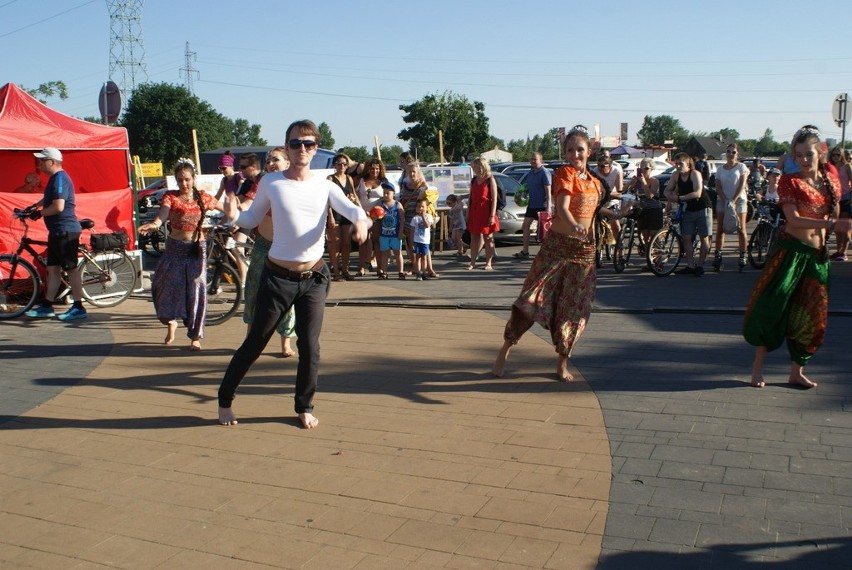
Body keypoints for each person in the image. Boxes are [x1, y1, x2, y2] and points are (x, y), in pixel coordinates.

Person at [217, 119, 370, 429]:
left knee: (310, 347)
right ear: (287, 147)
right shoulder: (272, 183)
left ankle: (304, 406)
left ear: (316, 149)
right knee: (256, 342)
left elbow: (353, 209)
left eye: (309, 143)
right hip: (277, 277)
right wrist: (234, 214)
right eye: (296, 143)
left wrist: (362, 223)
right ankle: (225, 400)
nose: (302, 148)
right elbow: (252, 218)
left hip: (313, 279)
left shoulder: (325, 184)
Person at [492, 125, 605, 382]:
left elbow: (592, 214)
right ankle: (505, 349)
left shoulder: (597, 183)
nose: (576, 154)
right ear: (565, 153)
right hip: (557, 246)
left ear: (589, 151)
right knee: (531, 298)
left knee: (574, 308)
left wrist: (615, 215)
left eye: (580, 150)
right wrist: (574, 225)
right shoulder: (565, 174)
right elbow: (563, 207)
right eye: (570, 150)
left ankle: (562, 362)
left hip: (585, 252)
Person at [743, 125, 851, 389]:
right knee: (773, 307)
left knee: (812, 314)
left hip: (817, 256)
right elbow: (793, 220)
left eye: (808, 154)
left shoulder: (831, 179)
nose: (803, 160)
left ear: (820, 153)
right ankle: (757, 369)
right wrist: (833, 226)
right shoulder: (790, 181)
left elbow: (834, 212)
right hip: (791, 254)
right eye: (799, 155)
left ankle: (796, 371)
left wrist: (835, 223)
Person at [138, 159, 223, 349]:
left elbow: (227, 210)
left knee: (196, 288)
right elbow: (163, 214)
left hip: (196, 249)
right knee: (164, 286)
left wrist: (237, 215)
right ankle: (171, 322)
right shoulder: (170, 196)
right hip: (175, 248)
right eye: (179, 180)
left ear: (193, 179)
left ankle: (195, 336)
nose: (183, 184)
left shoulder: (204, 197)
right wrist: (155, 224)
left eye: (186, 179)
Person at [242, 146, 296, 357]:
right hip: (263, 245)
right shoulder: (263, 184)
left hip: (285, 250)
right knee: (253, 290)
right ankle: (249, 339)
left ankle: (285, 342)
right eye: (269, 161)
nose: (271, 164)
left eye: (276, 160)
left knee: (286, 297)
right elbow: (247, 203)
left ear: (287, 163)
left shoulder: (294, 187)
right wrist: (229, 209)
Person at [23, 148, 87, 321]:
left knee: (71, 269)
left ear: (51, 162)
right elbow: (49, 198)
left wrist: (39, 214)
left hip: (65, 230)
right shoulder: (54, 179)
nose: (39, 164)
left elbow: (58, 206)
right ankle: (47, 306)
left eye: (42, 161)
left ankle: (78, 306)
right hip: (57, 231)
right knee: (53, 269)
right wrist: (34, 206)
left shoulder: (60, 178)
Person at [664, 152, 712, 276]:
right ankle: (690, 265)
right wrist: (670, 198)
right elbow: (667, 189)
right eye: (676, 163)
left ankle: (700, 265)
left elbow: (697, 192)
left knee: (704, 236)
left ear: (688, 163)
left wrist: (680, 198)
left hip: (702, 207)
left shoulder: (695, 174)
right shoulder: (675, 175)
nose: (678, 166)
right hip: (688, 209)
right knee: (686, 237)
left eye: (681, 163)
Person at [713, 143, 750, 271]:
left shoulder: (741, 167)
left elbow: (742, 184)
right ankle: (718, 254)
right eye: (728, 151)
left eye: (733, 152)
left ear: (737, 154)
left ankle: (743, 254)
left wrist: (733, 200)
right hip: (723, 200)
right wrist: (725, 200)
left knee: (741, 228)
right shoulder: (720, 169)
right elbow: (718, 186)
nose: (730, 154)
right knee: (720, 229)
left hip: (738, 200)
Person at [514, 152, 552, 258]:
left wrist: (548, 208)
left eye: (535, 159)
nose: (533, 161)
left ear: (541, 161)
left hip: (542, 205)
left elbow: (548, 192)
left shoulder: (545, 173)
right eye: (532, 159)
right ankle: (525, 251)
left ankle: (546, 253)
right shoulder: (531, 172)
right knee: (525, 226)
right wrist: (523, 196)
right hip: (532, 205)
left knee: (543, 231)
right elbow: (527, 187)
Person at [326, 153, 358, 280]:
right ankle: (336, 272)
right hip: (335, 213)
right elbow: (327, 199)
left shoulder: (349, 178)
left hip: (347, 213)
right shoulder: (330, 179)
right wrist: (330, 216)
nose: (342, 166)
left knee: (346, 243)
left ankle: (345, 270)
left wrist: (359, 210)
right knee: (335, 244)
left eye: (344, 164)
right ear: (335, 165)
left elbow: (354, 195)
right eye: (339, 163)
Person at [231, 153, 262, 282]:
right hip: (253, 217)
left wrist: (234, 219)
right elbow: (237, 199)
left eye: (243, 167)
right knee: (233, 244)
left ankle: (244, 279)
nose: (240, 170)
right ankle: (245, 274)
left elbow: (245, 205)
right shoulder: (248, 181)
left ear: (253, 167)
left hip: (263, 219)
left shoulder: (261, 179)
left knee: (237, 244)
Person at [355, 158, 386, 276]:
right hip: (363, 215)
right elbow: (355, 195)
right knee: (363, 241)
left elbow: (388, 197)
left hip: (378, 216)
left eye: (377, 168)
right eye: (372, 168)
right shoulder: (360, 180)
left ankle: (379, 268)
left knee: (377, 241)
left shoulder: (383, 181)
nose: (375, 171)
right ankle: (362, 267)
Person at [467, 157, 499, 270]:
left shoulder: (490, 179)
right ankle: (472, 262)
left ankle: (488, 263)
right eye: (475, 167)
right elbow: (471, 197)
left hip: (486, 211)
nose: (477, 169)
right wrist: (468, 213)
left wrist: (492, 216)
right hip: (475, 211)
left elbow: (494, 199)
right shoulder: (474, 180)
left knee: (488, 238)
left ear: (484, 167)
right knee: (474, 238)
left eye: (479, 167)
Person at [627, 157, 664, 253]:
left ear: (651, 169)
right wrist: (631, 183)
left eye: (646, 168)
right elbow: (624, 190)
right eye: (641, 168)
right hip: (643, 210)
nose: (644, 170)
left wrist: (643, 182)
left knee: (654, 236)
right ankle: (649, 260)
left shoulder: (654, 180)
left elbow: (650, 195)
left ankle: (658, 262)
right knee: (645, 236)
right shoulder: (638, 181)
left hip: (654, 210)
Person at [376, 181, 406, 279]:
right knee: (384, 254)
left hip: (395, 234)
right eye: (384, 192)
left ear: (393, 193)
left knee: (397, 253)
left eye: (388, 192)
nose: (385, 194)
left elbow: (402, 219)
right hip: (384, 234)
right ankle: (384, 272)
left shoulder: (397, 205)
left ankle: (401, 271)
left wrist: (401, 232)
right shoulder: (381, 205)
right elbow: (377, 219)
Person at [828, 145, 852, 261]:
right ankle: (838, 251)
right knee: (837, 228)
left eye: (838, 154)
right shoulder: (829, 167)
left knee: (845, 227)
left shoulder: (847, 167)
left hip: (846, 198)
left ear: (841, 155)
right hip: (833, 199)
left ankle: (843, 252)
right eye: (833, 155)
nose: (836, 157)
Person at [410, 198, 433, 281]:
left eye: (422, 206)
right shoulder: (415, 218)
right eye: (419, 206)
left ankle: (424, 272)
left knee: (424, 257)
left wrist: (423, 216)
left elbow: (427, 225)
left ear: (426, 207)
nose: (420, 208)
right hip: (417, 241)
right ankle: (418, 273)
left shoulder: (429, 216)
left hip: (425, 241)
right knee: (418, 257)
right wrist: (411, 242)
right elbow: (412, 231)